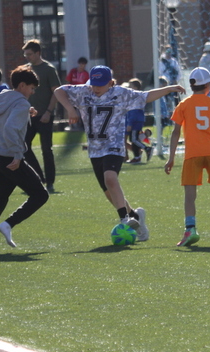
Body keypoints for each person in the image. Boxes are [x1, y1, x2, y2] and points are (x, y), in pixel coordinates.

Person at [55, 66, 184, 242]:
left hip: (114, 145)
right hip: (95, 149)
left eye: (101, 84)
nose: (96, 87)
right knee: (109, 192)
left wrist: (168, 89)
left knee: (110, 178)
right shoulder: (84, 91)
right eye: (94, 83)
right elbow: (59, 91)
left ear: (110, 82)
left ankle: (124, 219)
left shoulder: (120, 93)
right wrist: (70, 109)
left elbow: (145, 96)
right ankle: (135, 217)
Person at [0, 66, 50, 255]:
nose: (32, 92)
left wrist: (24, 108)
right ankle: (8, 224)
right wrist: (17, 154)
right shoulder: (21, 104)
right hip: (9, 158)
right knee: (41, 195)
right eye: (31, 88)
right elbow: (10, 128)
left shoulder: (3, 97)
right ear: (22, 85)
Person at [165, 67, 210, 246]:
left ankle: (190, 229)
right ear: (208, 86)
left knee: (190, 192)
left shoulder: (184, 104)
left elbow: (175, 132)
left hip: (192, 154)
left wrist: (171, 157)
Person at [22, 40, 61, 193]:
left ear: (38, 53)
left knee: (47, 149)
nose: (27, 57)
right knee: (24, 147)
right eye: (26, 54)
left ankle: (50, 182)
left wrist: (48, 112)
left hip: (45, 116)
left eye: (30, 54)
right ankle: (38, 178)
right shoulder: (26, 70)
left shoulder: (48, 69)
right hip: (29, 115)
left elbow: (56, 92)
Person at [125, 78, 149, 164]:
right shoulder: (137, 96)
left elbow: (133, 111)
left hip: (135, 121)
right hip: (138, 120)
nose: (129, 87)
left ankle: (147, 149)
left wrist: (129, 123)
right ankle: (137, 157)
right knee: (133, 139)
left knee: (134, 139)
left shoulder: (135, 97)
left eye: (130, 86)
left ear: (135, 87)